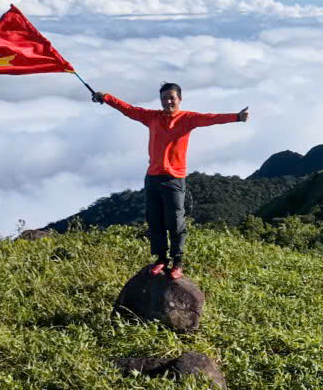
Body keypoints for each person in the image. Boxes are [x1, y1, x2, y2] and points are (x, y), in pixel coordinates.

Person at [93, 82, 249, 279]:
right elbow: (129, 110)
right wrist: (106, 97)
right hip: (153, 177)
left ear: (179, 99)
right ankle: (160, 259)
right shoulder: (152, 117)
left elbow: (211, 118)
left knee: (175, 222)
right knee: (155, 221)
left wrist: (237, 117)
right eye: (164, 98)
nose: (168, 102)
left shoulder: (188, 118)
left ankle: (178, 262)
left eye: (171, 98)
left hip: (175, 178)